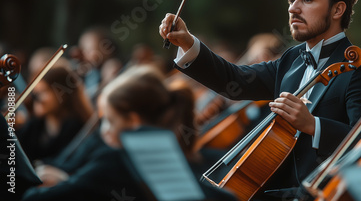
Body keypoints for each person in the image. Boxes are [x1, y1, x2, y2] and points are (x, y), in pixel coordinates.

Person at [159, 0, 361, 199]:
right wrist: (188, 42)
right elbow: (236, 81)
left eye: (307, 0)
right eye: (291, 0)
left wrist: (313, 125)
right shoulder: (291, 59)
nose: (293, 8)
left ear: (338, 9)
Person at [22, 65, 236, 201]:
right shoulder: (176, 155)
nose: (103, 129)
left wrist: (67, 181)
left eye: (108, 120)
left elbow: (34, 198)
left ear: (133, 121)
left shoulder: (115, 160)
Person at [17, 66, 93, 163]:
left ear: (62, 93)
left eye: (43, 91)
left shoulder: (77, 128)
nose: (36, 98)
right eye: (35, 92)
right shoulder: (35, 125)